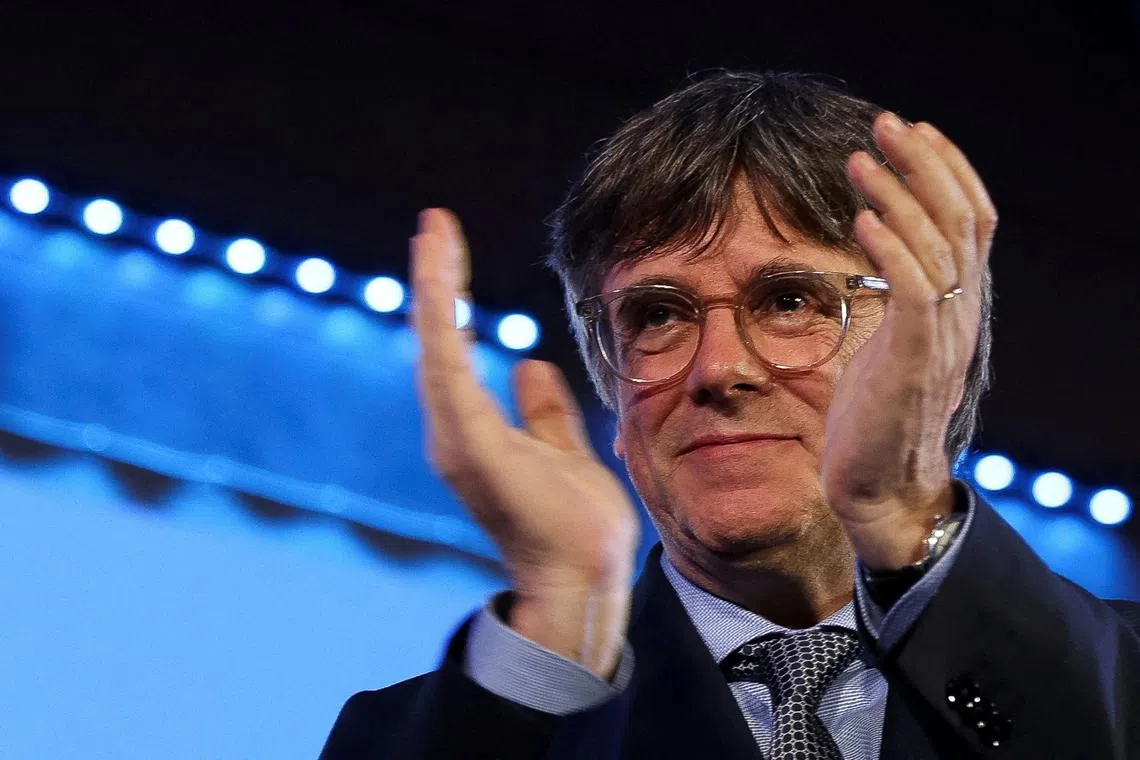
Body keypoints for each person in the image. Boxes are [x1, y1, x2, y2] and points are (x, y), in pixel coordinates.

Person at [319, 71, 1140, 759]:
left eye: (790, 301)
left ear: (939, 352)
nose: (718, 369)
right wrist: (563, 615)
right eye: (658, 315)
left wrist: (900, 516)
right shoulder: (425, 734)